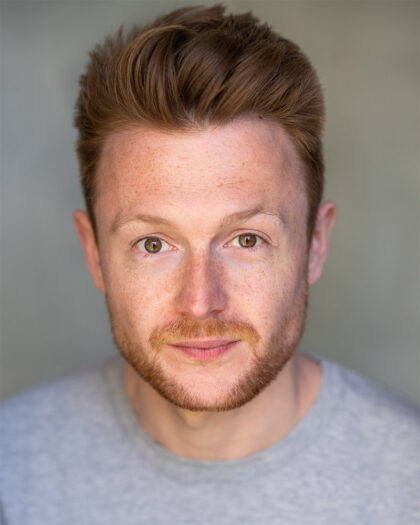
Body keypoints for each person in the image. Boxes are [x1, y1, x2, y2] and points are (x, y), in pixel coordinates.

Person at [1, 4, 419, 524]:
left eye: (246, 239)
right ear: (94, 254)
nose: (200, 302)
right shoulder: (12, 473)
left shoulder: (410, 485)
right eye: (153, 245)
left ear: (315, 243)